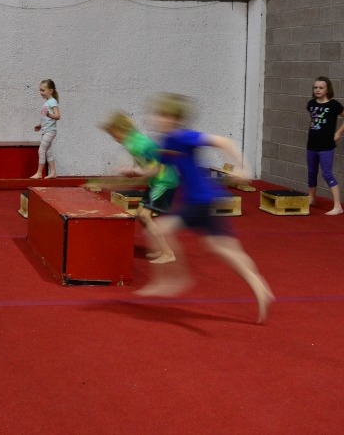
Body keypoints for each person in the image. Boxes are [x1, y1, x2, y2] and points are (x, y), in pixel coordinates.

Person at [137, 93, 274, 324]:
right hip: (203, 199)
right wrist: (137, 173)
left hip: (199, 200)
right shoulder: (168, 142)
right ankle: (259, 285)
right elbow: (158, 168)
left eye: (161, 115)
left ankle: (174, 280)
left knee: (157, 229)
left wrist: (244, 168)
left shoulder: (183, 136)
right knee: (225, 247)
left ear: (173, 118)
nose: (155, 119)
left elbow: (223, 141)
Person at [100, 111, 179, 264]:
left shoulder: (139, 144)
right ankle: (162, 249)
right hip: (157, 181)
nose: (115, 139)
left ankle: (168, 253)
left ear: (122, 130)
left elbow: (155, 168)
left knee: (144, 215)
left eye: (115, 135)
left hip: (164, 181)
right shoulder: (132, 142)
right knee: (141, 215)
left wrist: (136, 172)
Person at [306, 76, 344, 215]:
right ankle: (312, 198)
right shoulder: (311, 104)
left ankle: (337, 206)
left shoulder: (333, 105)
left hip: (326, 146)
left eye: (321, 88)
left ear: (327, 89)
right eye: (315, 87)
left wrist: (339, 133)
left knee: (327, 174)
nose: (318, 90)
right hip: (312, 145)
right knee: (311, 172)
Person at [30, 79, 60, 179]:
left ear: (50, 91)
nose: (41, 92)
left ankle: (39, 173)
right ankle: (53, 173)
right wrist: (40, 125)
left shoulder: (52, 102)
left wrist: (49, 114)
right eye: (40, 90)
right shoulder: (46, 102)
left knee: (41, 150)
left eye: (43, 90)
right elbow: (45, 118)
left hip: (50, 131)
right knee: (48, 152)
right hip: (45, 130)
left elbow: (57, 116)